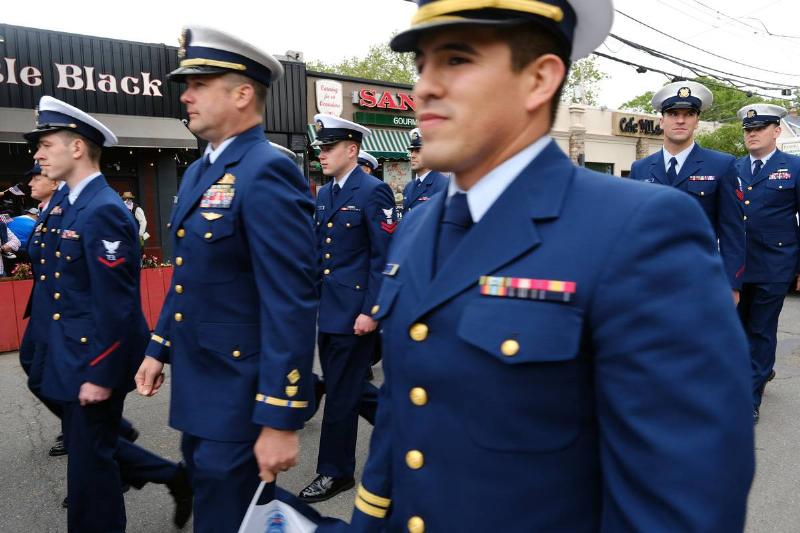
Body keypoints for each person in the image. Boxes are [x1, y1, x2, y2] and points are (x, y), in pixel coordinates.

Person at [330, 1, 755, 531]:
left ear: (539, 79)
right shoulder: (418, 228)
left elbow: (681, 502)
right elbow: (406, 414)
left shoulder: (640, 229)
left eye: (457, 60)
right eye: (422, 66)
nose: (425, 88)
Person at [133, 26, 318, 533]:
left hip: (241, 393)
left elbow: (291, 302)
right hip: (201, 385)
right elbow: (190, 275)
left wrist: (281, 415)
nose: (185, 95)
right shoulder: (198, 172)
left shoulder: (266, 170)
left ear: (241, 94)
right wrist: (158, 347)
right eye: (185, 85)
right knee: (229, 510)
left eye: (200, 84)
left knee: (232, 515)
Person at [26, 95, 191, 532]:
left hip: (91, 358)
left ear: (77, 146)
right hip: (68, 354)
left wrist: (100, 374)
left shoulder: (102, 209)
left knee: (91, 471)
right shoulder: (70, 203)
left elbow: (117, 307)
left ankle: (171, 477)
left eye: (46, 143)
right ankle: (170, 475)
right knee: (89, 460)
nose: (37, 154)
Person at [298, 114, 396, 504]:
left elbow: (383, 257)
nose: (321, 154)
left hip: (355, 312)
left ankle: (335, 472)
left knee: (341, 394)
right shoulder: (325, 194)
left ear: (351, 150)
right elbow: (319, 254)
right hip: (330, 309)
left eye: (329, 147)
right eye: (320, 148)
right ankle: (408, 425)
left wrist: (372, 310)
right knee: (351, 389)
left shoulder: (373, 191)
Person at [630, 81, 745, 302]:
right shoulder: (640, 168)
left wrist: (732, 284)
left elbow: (733, 232)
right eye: (673, 113)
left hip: (701, 279)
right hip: (650, 279)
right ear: (662, 121)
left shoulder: (722, 165)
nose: (681, 120)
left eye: (689, 113)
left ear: (697, 121)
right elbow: (633, 230)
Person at [735, 103, 800, 423]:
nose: (752, 134)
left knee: (760, 329)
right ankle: (758, 369)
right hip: (736, 266)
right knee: (736, 328)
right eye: (748, 130)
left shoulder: (795, 167)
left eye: (759, 129)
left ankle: (750, 397)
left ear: (776, 131)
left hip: (775, 263)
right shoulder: (733, 168)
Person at [402, 127, 448, 213]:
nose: (412, 155)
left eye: (418, 151)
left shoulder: (443, 185)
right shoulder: (408, 187)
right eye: (411, 151)